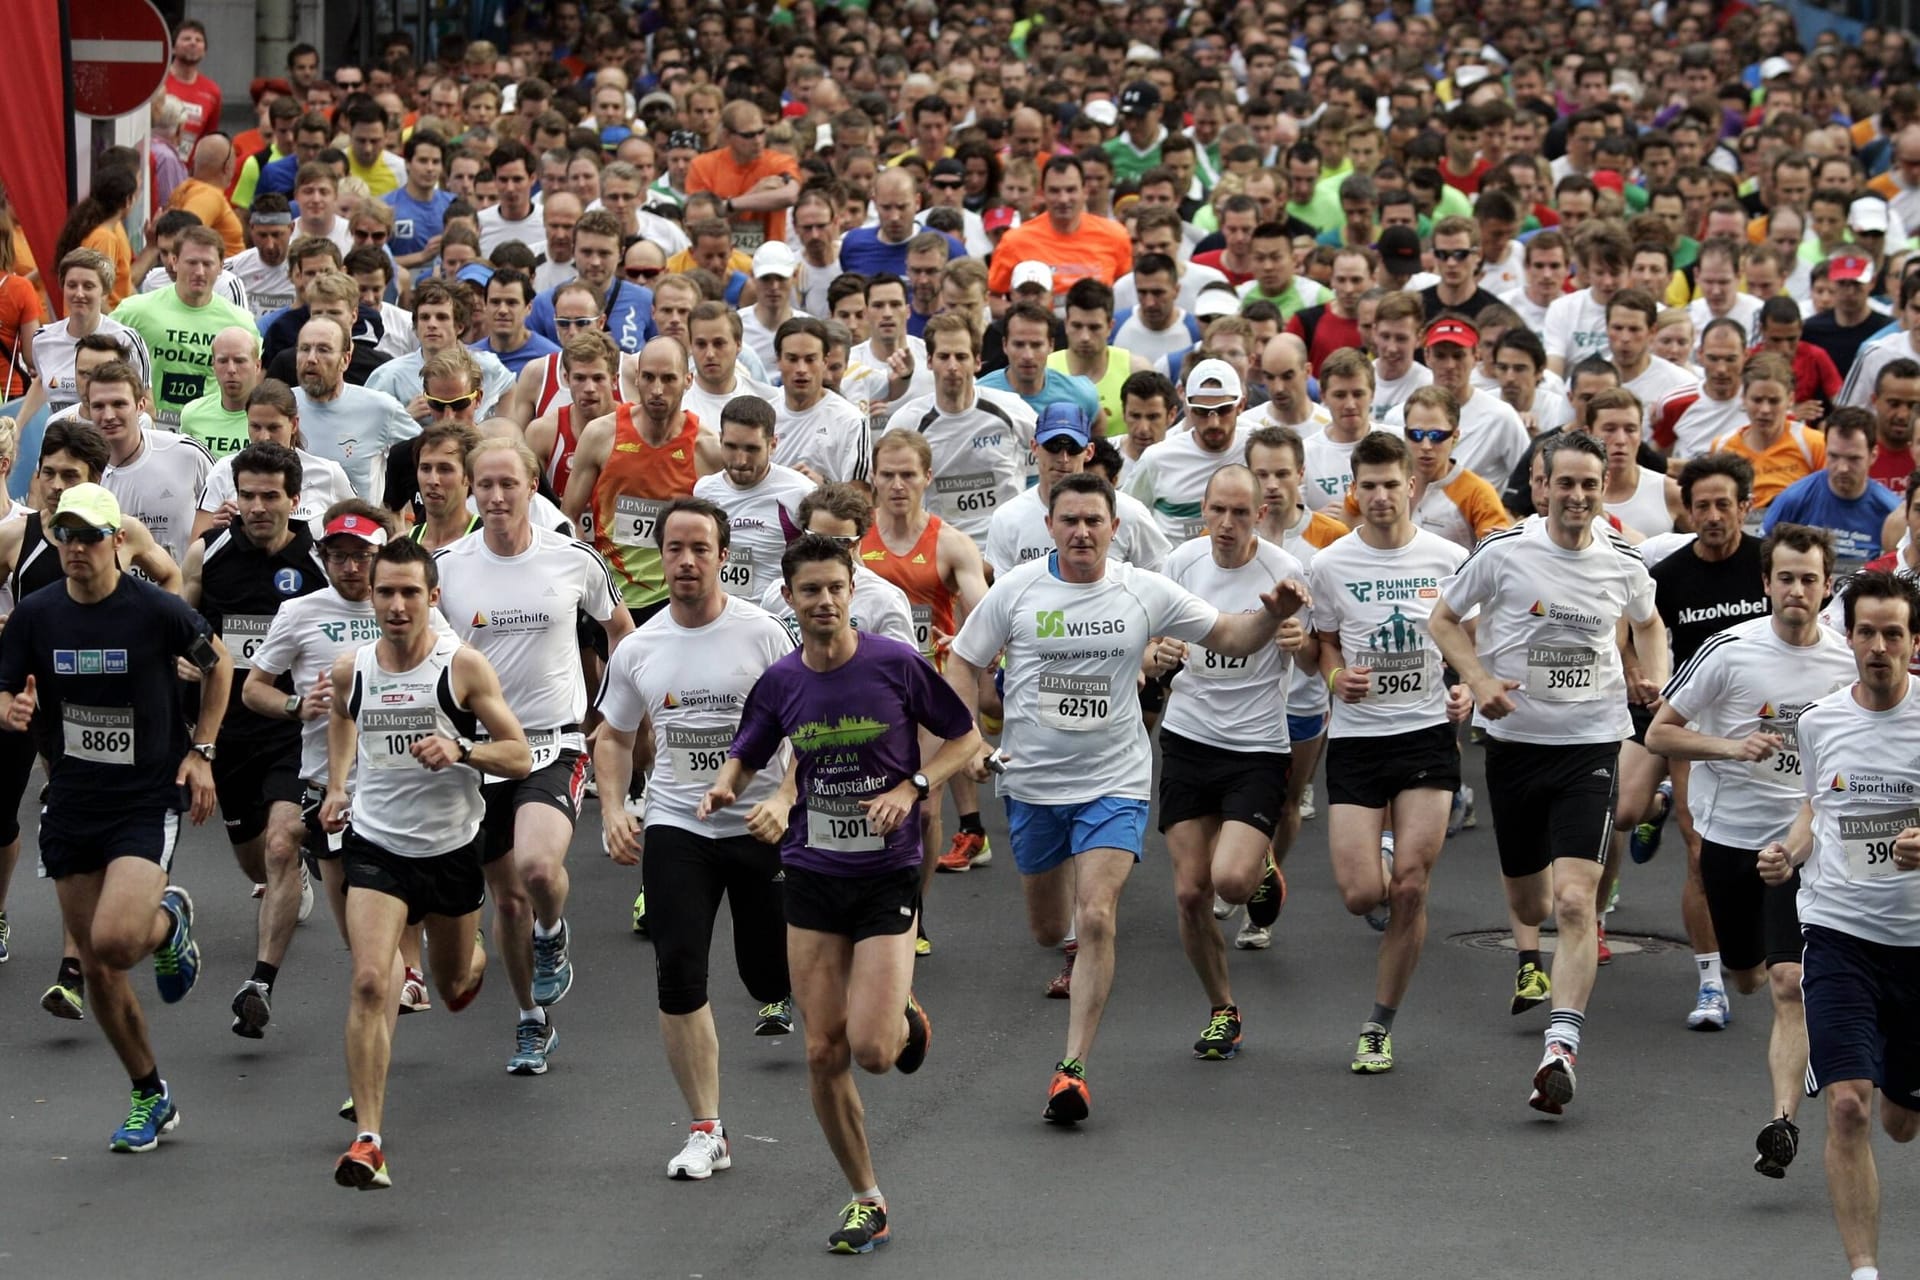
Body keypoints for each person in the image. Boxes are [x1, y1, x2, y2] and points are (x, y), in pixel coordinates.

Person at [947, 471, 1308, 1124]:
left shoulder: (1143, 591)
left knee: (1098, 917)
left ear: (1115, 528)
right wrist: (967, 738)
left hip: (1113, 782)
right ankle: (1070, 993)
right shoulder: (1017, 591)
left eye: (1094, 521)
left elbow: (1230, 634)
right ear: (1050, 527)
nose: (1082, 532)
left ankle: (1073, 1067)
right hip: (1031, 786)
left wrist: (1273, 615)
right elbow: (963, 663)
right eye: (1069, 521)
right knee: (1050, 928)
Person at [700, 533, 979, 1252]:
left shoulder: (895, 665)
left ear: (851, 592)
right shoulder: (784, 681)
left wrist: (913, 785)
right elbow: (749, 751)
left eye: (834, 588)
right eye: (809, 591)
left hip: (886, 875)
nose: (824, 602)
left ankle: (902, 1018)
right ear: (790, 600)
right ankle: (867, 1197)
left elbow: (965, 739)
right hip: (814, 875)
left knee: (876, 1053)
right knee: (823, 1052)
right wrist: (726, 786)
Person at [1429, 431, 1667, 1114]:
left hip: (1591, 744)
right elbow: (1443, 619)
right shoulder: (1504, 550)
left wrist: (1650, 673)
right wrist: (1477, 680)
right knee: (1532, 905)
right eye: (1566, 483)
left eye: (1590, 485)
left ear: (1601, 488)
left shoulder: (1623, 557)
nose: (1578, 495)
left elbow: (1646, 622)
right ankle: (1547, 988)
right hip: (1513, 745)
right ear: (1544, 485)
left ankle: (1560, 1047)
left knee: (1574, 902)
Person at [0, 482, 231, 1151]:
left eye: (90, 537)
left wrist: (203, 751)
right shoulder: (37, 616)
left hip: (143, 797)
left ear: (116, 542)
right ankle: (149, 1092)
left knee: (117, 942)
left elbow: (216, 669)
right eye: (66, 536)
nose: (77, 548)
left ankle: (168, 922)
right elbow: (6, 688)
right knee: (98, 970)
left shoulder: (156, 612)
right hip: (71, 800)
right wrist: (11, 712)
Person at [594, 497, 797, 1178]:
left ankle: (875, 988)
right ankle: (707, 1128)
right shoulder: (641, 647)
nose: (685, 561)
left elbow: (807, 728)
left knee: (770, 974)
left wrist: (789, 799)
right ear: (661, 555)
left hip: (760, 823)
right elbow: (615, 737)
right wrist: (616, 810)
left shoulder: (763, 634)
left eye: (699, 549)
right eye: (674, 548)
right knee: (678, 969)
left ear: (724, 556)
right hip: (679, 824)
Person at [320, 537, 531, 1190]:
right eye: (386, 592)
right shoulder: (353, 669)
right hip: (377, 847)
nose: (397, 604)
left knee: (453, 986)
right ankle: (370, 1140)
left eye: (411, 592)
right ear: (371, 599)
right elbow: (340, 719)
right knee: (368, 982)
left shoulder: (460, 667)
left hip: (450, 852)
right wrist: (336, 787)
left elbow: (519, 754)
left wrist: (462, 749)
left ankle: (470, 961)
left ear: (432, 598)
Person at [1648, 523, 1855, 1180]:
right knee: (1747, 975)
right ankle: (1739, 970)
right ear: (1766, 583)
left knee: (1789, 982)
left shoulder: (1846, 663)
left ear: (1827, 588)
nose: (1797, 590)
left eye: (1809, 580)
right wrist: (1730, 747)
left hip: (1806, 844)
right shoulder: (1728, 652)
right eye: (1785, 578)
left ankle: (1783, 1121)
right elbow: (1660, 733)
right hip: (1731, 837)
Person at [434, 436, 629, 1072]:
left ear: (531, 486)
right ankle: (529, 1018)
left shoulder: (572, 558)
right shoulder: (447, 566)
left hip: (554, 741)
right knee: (507, 900)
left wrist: (609, 711)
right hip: (480, 753)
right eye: (483, 485)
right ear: (469, 489)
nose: (494, 497)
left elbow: (619, 631)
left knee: (539, 873)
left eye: (507, 485)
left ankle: (553, 932)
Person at [1757, 570, 1920, 1280]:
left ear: (1914, 643)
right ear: (1847, 636)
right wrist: (1788, 851)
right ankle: (1865, 1272)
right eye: (1866, 632)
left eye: (1893, 634)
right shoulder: (1821, 721)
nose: (1878, 646)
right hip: (1838, 937)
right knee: (1850, 1106)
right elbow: (1816, 809)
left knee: (1900, 1120)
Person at [1310, 430, 1473, 1070]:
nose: (1380, 497)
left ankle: (1379, 1025)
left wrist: (1463, 688)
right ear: (1355, 490)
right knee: (1360, 894)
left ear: (1413, 486)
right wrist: (1332, 676)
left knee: (1409, 886)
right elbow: (1323, 644)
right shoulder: (1331, 565)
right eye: (1367, 486)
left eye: (1390, 485)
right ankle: (1378, 847)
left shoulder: (1447, 558)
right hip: (1357, 739)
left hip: (1427, 736)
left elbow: (1469, 639)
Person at [1160, 465, 1309, 1060]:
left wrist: (1299, 644)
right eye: (1217, 511)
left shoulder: (1283, 571)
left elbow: (1313, 648)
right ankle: (1223, 1008)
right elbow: (1149, 634)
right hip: (1188, 738)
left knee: (1230, 881)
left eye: (1239, 513)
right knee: (1191, 893)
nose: (1226, 525)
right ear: (1203, 507)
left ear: (1260, 516)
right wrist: (1158, 649)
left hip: (1255, 746)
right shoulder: (1181, 565)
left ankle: (1262, 867)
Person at [181, 441, 328, 1038]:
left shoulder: (318, 560)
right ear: (233, 498)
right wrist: (183, 661)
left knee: (279, 843)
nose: (259, 507)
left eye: (272, 496)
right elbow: (179, 626)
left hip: (295, 729)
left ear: (295, 500)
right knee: (253, 856)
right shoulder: (208, 553)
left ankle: (260, 981)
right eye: (248, 496)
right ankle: (286, 882)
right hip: (230, 732)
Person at [860, 428, 991, 906]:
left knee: (924, 812)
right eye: (888, 475)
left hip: (928, 690)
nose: (897, 485)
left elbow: (983, 608)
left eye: (908, 475)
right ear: (873, 479)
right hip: (868, 691)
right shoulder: (858, 540)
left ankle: (914, 912)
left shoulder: (951, 543)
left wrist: (972, 634)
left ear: (927, 478)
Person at [563, 336, 724, 622]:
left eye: (668, 378)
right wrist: (590, 579)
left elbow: (722, 532)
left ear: (688, 380)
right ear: (636, 379)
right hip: (611, 595)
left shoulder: (707, 448)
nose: (657, 390)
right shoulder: (602, 434)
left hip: (675, 600)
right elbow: (569, 517)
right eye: (648, 377)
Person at [985, 404, 1170, 574]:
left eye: (1073, 448)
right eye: (1053, 446)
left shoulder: (1130, 513)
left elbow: (1162, 576)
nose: (1063, 458)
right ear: (1034, 447)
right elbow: (1003, 597)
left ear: (1088, 451)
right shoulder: (1007, 517)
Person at [109, 227, 254, 426]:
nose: (199, 272)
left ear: (221, 266)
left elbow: (252, 382)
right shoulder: (134, 311)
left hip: (207, 431)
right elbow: (101, 359)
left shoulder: (241, 321)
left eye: (207, 263)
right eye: (192, 262)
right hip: (150, 428)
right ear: (174, 262)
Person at [89, 361, 213, 566]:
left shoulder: (187, 454)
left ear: (140, 406)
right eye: (98, 406)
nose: (108, 416)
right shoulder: (83, 470)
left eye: (119, 404)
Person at [692, 395, 814, 602]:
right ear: (720, 440)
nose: (740, 460)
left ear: (773, 444)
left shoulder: (800, 493)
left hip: (775, 617)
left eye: (752, 449)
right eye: (731, 446)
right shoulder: (704, 490)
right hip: (721, 615)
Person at [289, 316, 421, 505]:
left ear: (345, 359)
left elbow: (426, 453)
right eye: (304, 349)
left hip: (356, 530)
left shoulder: (380, 408)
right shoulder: (282, 406)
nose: (311, 358)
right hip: (296, 530)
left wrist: (398, 509)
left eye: (323, 350)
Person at [1125, 358, 1249, 543]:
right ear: (1188, 408)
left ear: (1240, 406)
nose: (1213, 423)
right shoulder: (1158, 457)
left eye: (1223, 410)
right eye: (1202, 411)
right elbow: (1127, 515)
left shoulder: (1257, 449)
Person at [1763, 409, 1900, 567]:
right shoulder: (1793, 499)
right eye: (1833, 456)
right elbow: (1763, 559)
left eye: (1853, 459)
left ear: (1873, 455)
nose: (1842, 468)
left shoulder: (1890, 511)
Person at [985, 155, 1132, 302]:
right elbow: (990, 298)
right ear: (1042, 194)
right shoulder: (1014, 241)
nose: (1063, 199)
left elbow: (1127, 294)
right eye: (1054, 191)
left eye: (1071, 190)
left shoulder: (1115, 236)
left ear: (1084, 191)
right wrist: (1023, 312)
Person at [526, 330, 621, 506]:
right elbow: (529, 500)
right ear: (566, 379)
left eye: (598, 378)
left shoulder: (633, 426)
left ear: (614, 380)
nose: (589, 388)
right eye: (580, 378)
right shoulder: (542, 432)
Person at [770, 319, 869, 482]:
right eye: (792, 359)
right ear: (778, 360)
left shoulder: (851, 421)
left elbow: (863, 497)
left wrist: (823, 486)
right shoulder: (765, 415)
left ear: (824, 361)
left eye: (810, 360)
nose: (801, 369)